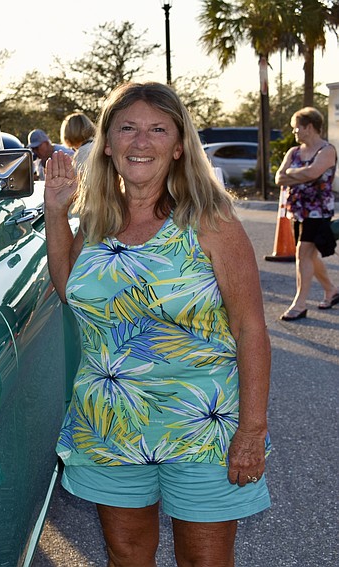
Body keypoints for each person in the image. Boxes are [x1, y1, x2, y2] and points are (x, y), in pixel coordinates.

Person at [43, 82, 271, 567]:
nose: (140, 142)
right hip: (110, 422)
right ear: (107, 143)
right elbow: (71, 291)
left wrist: (251, 430)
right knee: (125, 554)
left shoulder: (211, 221)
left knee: (204, 561)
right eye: (127, 128)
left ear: (179, 145)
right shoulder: (98, 221)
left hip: (203, 424)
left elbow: (251, 329)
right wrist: (56, 214)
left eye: (157, 130)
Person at [275, 107, 339, 321]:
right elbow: (278, 178)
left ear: (309, 127)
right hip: (298, 210)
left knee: (303, 253)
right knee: (309, 255)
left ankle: (299, 304)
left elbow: (313, 172)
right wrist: (300, 175)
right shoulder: (293, 152)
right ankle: (331, 290)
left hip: (318, 211)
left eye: (297, 128)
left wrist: (292, 174)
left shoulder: (326, 150)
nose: (294, 133)